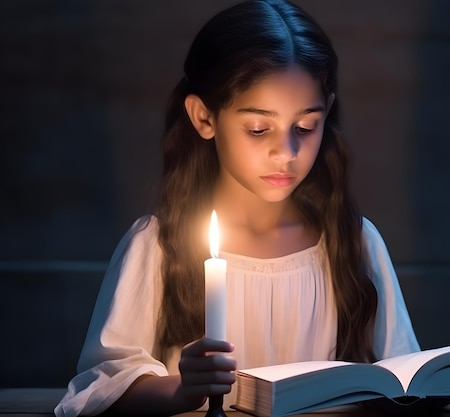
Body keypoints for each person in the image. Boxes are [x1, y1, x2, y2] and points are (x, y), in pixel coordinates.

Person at [54, 0, 419, 415]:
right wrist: (180, 389)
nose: (286, 152)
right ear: (204, 117)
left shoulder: (354, 242)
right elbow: (99, 389)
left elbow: (403, 375)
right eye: (259, 128)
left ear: (327, 112)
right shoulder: (159, 246)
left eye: (305, 127)